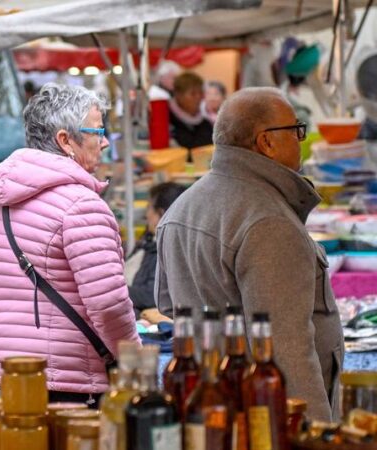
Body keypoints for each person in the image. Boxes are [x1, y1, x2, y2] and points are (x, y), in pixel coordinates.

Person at [155, 87, 344, 421]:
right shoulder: (269, 221)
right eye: (296, 130)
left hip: (210, 403)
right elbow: (288, 352)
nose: (300, 140)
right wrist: (315, 433)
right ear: (266, 141)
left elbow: (168, 304)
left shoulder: (182, 207)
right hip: (257, 416)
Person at [0, 83, 140, 405]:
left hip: (15, 375)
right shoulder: (82, 206)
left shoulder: (5, 207)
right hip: (70, 382)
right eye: (98, 131)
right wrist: (134, 360)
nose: (105, 141)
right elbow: (108, 304)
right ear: (65, 140)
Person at [127, 182, 187, 318]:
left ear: (161, 213)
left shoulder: (168, 249)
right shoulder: (148, 241)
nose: (146, 215)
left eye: (149, 208)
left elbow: (151, 295)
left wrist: (114, 291)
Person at [169, 72, 214, 149]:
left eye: (201, 93)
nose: (198, 97)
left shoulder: (205, 123)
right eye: (193, 94)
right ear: (178, 95)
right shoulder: (167, 120)